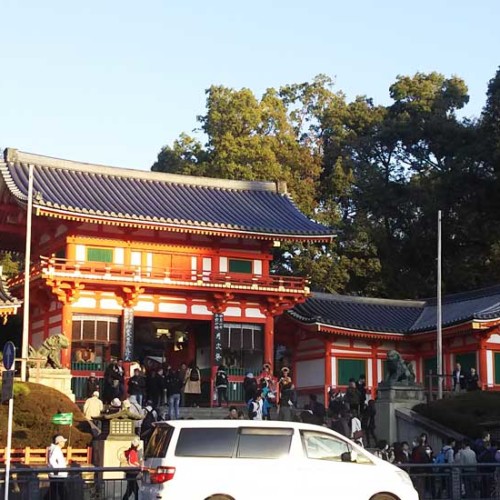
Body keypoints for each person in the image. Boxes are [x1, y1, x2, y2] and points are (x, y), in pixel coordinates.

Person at [46, 435, 68, 500]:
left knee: (53, 492)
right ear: (59, 442)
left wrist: (64, 463)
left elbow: (55, 460)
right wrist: (57, 469)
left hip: (56, 474)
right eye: (63, 441)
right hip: (58, 475)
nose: (64, 443)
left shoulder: (55, 449)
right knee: (62, 493)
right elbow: (52, 460)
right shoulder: (56, 449)